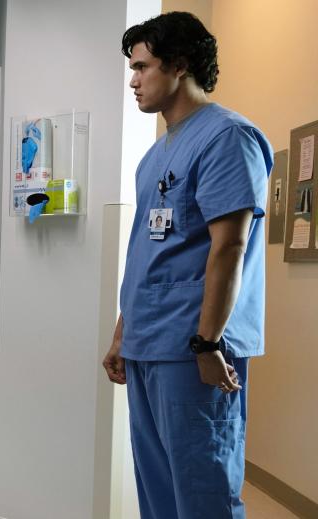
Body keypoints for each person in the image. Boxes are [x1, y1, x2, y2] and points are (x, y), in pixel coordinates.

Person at [101, 12, 272, 519]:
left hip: (194, 348)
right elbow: (147, 255)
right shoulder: (154, 156)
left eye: (142, 67)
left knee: (202, 490)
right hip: (147, 343)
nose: (133, 80)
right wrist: (122, 333)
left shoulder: (227, 138)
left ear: (179, 66)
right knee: (156, 489)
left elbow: (229, 247)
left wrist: (207, 342)